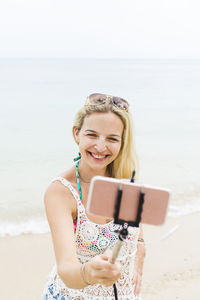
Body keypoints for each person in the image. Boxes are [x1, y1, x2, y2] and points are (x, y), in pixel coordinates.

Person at [43, 93, 146, 300]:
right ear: (77, 134)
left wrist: (141, 248)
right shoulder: (61, 192)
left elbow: (136, 230)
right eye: (92, 135)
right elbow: (66, 268)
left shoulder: (124, 179)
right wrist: (88, 273)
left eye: (112, 138)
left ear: (122, 142)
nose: (100, 147)